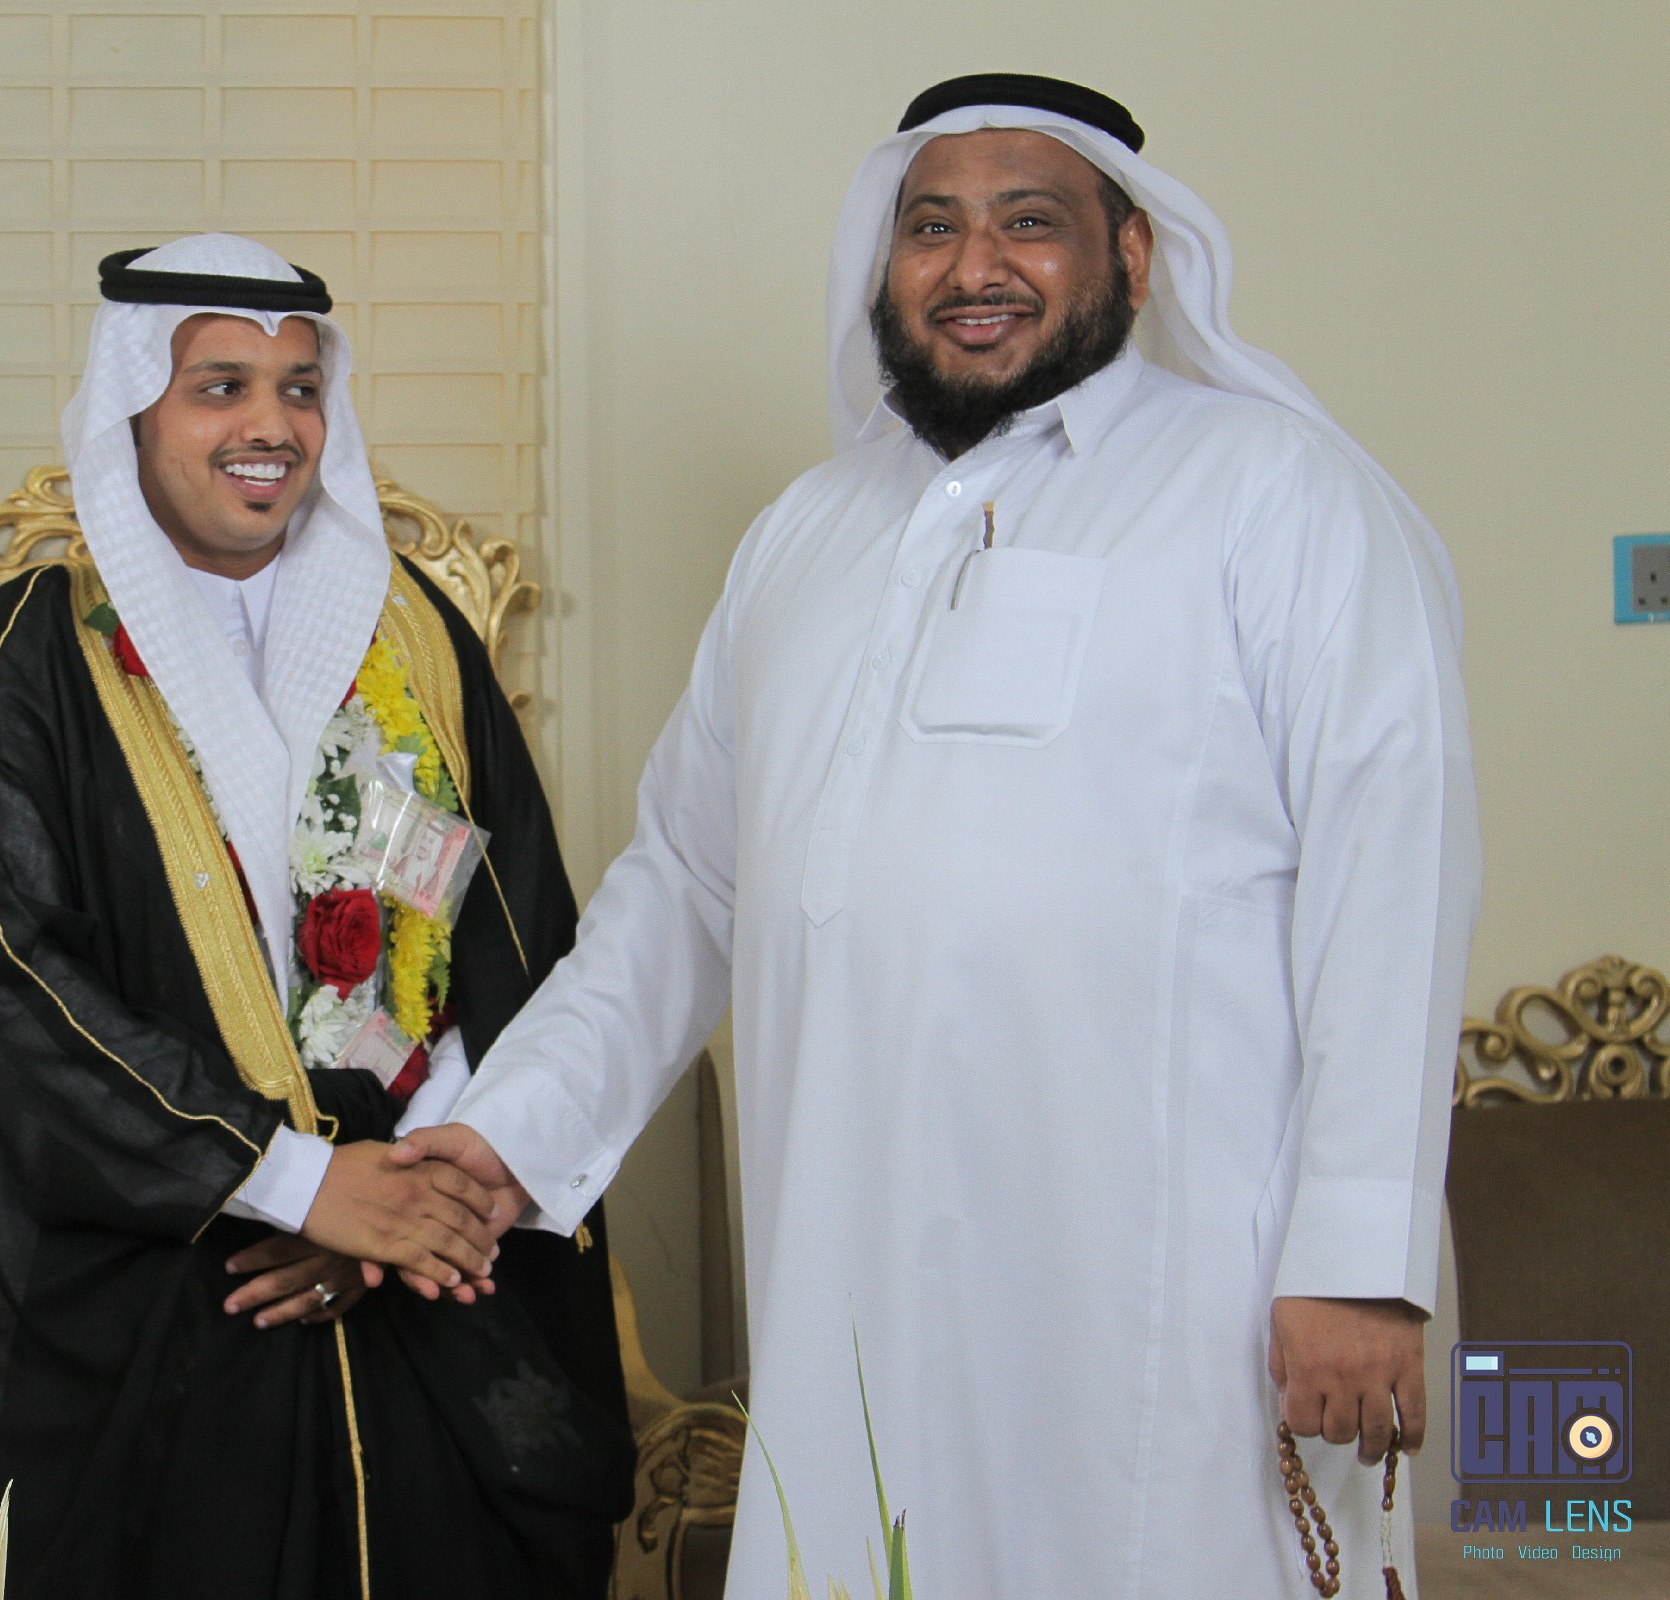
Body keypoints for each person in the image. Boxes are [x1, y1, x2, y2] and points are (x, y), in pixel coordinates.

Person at [399, 75, 1477, 1598]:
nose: (976, 267)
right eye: (932, 228)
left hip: (1178, 1293)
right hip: (855, 1269)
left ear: (1134, 256)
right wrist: (512, 1129)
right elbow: (688, 886)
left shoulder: (1277, 494)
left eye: (1029, 222)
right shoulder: (805, 533)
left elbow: (1394, 871)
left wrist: (1358, 1264)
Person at [0, 233, 631, 1599]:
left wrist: (409, 1198)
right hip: (162, 1288)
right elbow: (1, 987)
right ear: (132, 411)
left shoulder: (416, 638)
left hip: (417, 1274)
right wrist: (300, 1185)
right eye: (220, 387)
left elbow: (514, 934)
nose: (272, 425)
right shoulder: (20, 662)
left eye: (300, 389)